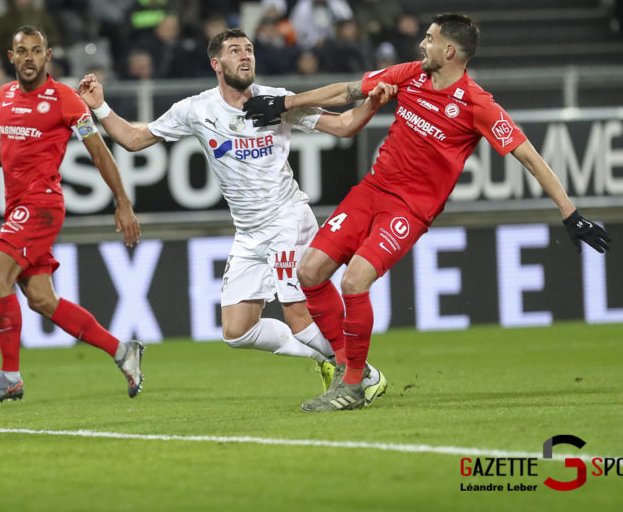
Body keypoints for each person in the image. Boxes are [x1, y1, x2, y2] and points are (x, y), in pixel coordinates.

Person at [243, 13, 612, 412]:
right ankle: (354, 367)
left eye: (430, 38)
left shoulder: (477, 104)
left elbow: (529, 156)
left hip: (408, 209)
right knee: (309, 272)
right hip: (371, 190)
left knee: (353, 282)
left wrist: (570, 213)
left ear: (449, 51)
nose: (422, 43)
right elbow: (348, 92)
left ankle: (351, 386)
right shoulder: (410, 74)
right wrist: (286, 103)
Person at [78, 28, 397, 398]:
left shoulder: (278, 101)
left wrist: (372, 101)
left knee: (297, 314)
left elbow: (344, 126)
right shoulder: (196, 110)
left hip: (287, 218)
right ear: (216, 64)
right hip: (249, 232)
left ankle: (361, 375)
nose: (245, 56)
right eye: (234, 51)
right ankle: (333, 363)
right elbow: (134, 140)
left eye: (249, 50)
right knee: (237, 331)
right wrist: (98, 105)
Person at [0, 25, 145, 403]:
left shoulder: (67, 100)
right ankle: (123, 351)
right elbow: (10, 139)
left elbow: (100, 152)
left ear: (47, 56)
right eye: (23, 51)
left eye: (37, 51)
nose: (30, 58)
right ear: (11, 57)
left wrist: (123, 201)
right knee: (41, 300)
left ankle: (10, 376)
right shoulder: (5, 95)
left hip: (42, 204)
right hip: (17, 206)